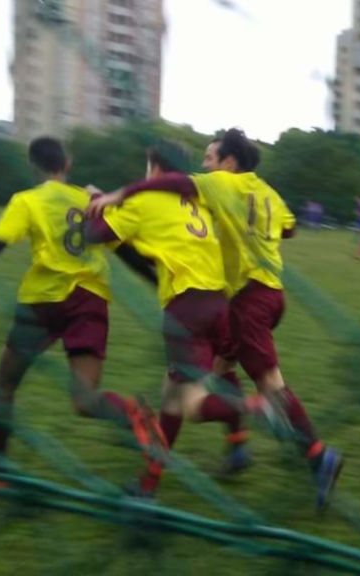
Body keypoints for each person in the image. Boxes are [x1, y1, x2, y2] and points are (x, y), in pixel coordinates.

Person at [88, 130, 344, 508]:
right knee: (202, 379)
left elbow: (175, 182)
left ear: (228, 163)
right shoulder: (266, 191)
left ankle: (315, 452)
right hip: (266, 293)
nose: (204, 165)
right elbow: (289, 228)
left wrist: (118, 194)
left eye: (210, 158)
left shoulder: (221, 185)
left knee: (262, 388)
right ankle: (175, 471)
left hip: (244, 299)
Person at [0, 137, 161, 482]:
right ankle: (134, 413)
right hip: (89, 300)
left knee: (5, 384)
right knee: (85, 399)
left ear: (34, 166)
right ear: (68, 163)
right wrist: (160, 283)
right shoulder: (91, 200)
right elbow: (127, 252)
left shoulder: (27, 201)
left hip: (42, 303)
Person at [84, 140, 264, 499]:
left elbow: (94, 236)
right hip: (219, 302)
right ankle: (223, 451)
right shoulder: (198, 198)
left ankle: (258, 408)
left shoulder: (142, 200)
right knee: (185, 390)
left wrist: (94, 203)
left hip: (187, 309)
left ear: (154, 167)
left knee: (187, 403)